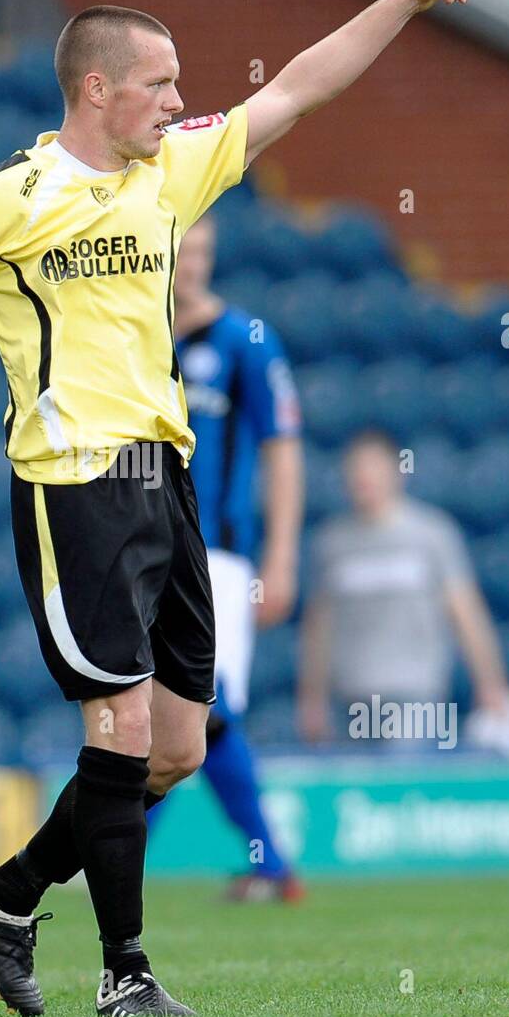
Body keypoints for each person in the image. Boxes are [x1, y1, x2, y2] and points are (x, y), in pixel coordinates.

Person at [0, 0, 472, 1017]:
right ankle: (126, 974)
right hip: (72, 485)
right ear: (97, 87)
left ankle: (7, 893)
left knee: (174, 749)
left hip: (168, 486)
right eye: (159, 81)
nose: (178, 98)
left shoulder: (172, 167)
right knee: (113, 731)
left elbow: (300, 85)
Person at [170, 214, 304, 902]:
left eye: (202, 251)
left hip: (216, 558)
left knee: (203, 709)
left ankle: (272, 863)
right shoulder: (131, 333)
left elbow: (282, 449)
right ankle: (270, 865)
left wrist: (280, 557)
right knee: (167, 707)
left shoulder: (245, 340)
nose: (191, 263)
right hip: (140, 552)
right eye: (181, 249)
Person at [298, 430, 509, 747]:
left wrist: (492, 682)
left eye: (373, 468)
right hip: (352, 698)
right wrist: (312, 698)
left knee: (403, 784)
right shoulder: (331, 543)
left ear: (396, 472)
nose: (365, 479)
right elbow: (320, 625)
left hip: (416, 694)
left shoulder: (432, 535)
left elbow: (465, 610)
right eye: (356, 470)